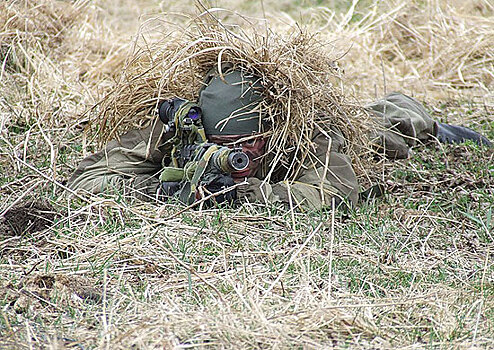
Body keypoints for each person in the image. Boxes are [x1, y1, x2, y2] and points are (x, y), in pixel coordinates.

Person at [68, 66, 492, 210]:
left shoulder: (303, 133)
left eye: (247, 144)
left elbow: (338, 191)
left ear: (269, 132)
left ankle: (435, 124)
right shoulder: (180, 130)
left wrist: (252, 195)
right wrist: (166, 189)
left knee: (389, 129)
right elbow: (88, 179)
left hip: (359, 130)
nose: (235, 156)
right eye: (222, 147)